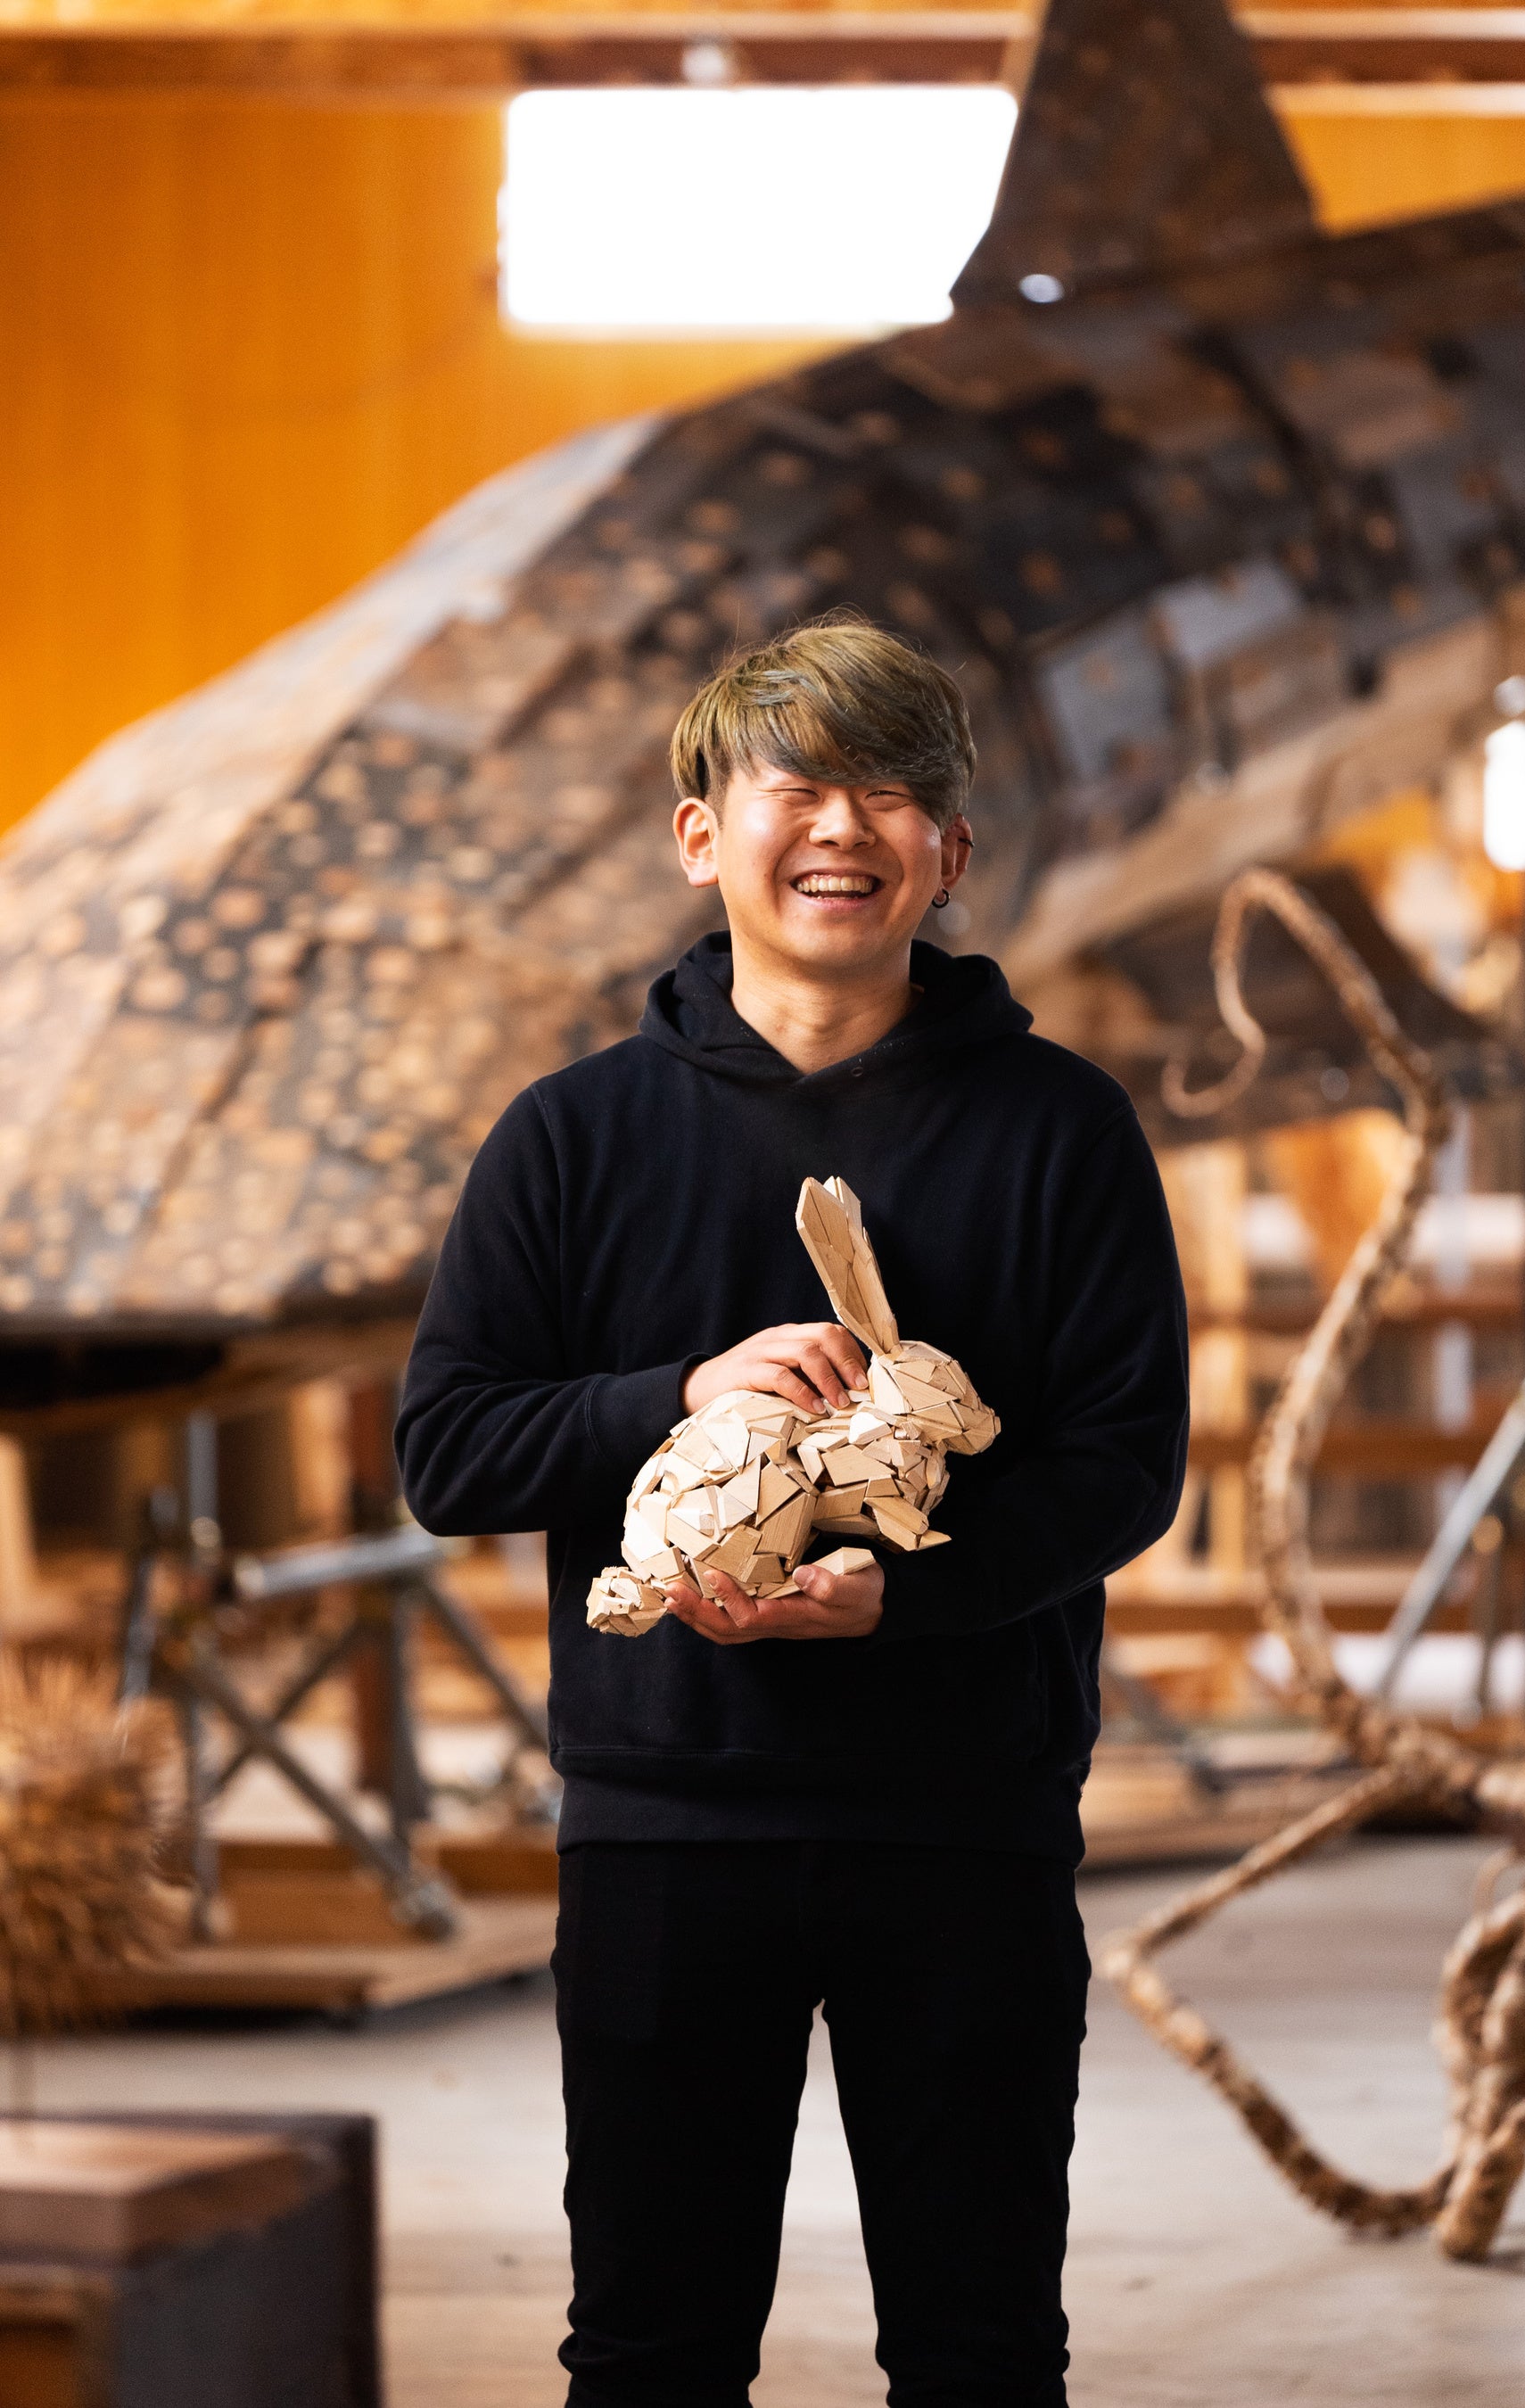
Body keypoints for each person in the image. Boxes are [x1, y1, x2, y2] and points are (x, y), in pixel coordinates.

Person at [396, 614, 1190, 2408]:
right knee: (650, 2352)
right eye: (799, 785)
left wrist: (904, 1598)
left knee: (982, 2350)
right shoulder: (570, 1138)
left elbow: (1123, 1462)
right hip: (666, 1826)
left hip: (966, 1821)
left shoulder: (1061, 1130)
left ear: (950, 855)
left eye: (895, 793)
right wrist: (674, 1394)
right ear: (702, 836)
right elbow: (450, 1447)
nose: (846, 825)